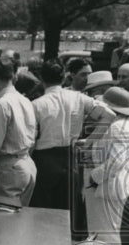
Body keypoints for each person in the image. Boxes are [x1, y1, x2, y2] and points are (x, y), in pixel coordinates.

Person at [30, 59, 102, 210]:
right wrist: (89, 140)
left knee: (42, 208)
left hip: (45, 159)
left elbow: (31, 137)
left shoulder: (36, 104)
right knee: (67, 209)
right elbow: (109, 115)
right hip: (70, 157)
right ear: (63, 77)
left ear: (42, 79)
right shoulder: (78, 98)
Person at [81, 87, 129, 245]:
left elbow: (115, 162)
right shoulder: (123, 124)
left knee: (107, 237)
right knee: (102, 235)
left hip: (106, 188)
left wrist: (93, 177)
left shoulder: (118, 127)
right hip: (109, 187)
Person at [0, 58, 37, 205]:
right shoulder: (25, 100)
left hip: (9, 169)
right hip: (27, 165)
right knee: (19, 220)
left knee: (2, 220)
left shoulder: (2, 104)